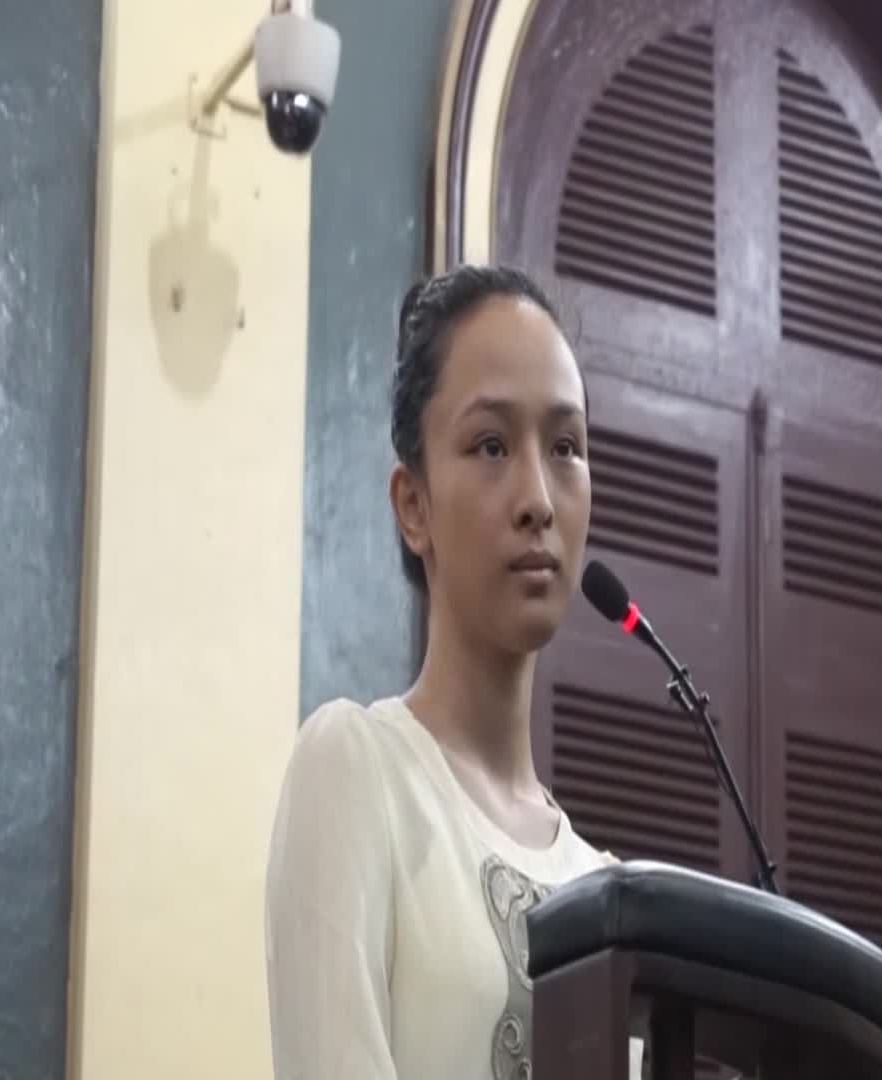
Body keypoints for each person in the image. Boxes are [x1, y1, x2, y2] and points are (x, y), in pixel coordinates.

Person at [263, 265, 644, 1079]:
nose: (538, 499)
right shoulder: (358, 772)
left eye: (566, 448)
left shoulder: (607, 889)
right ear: (414, 506)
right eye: (491, 446)